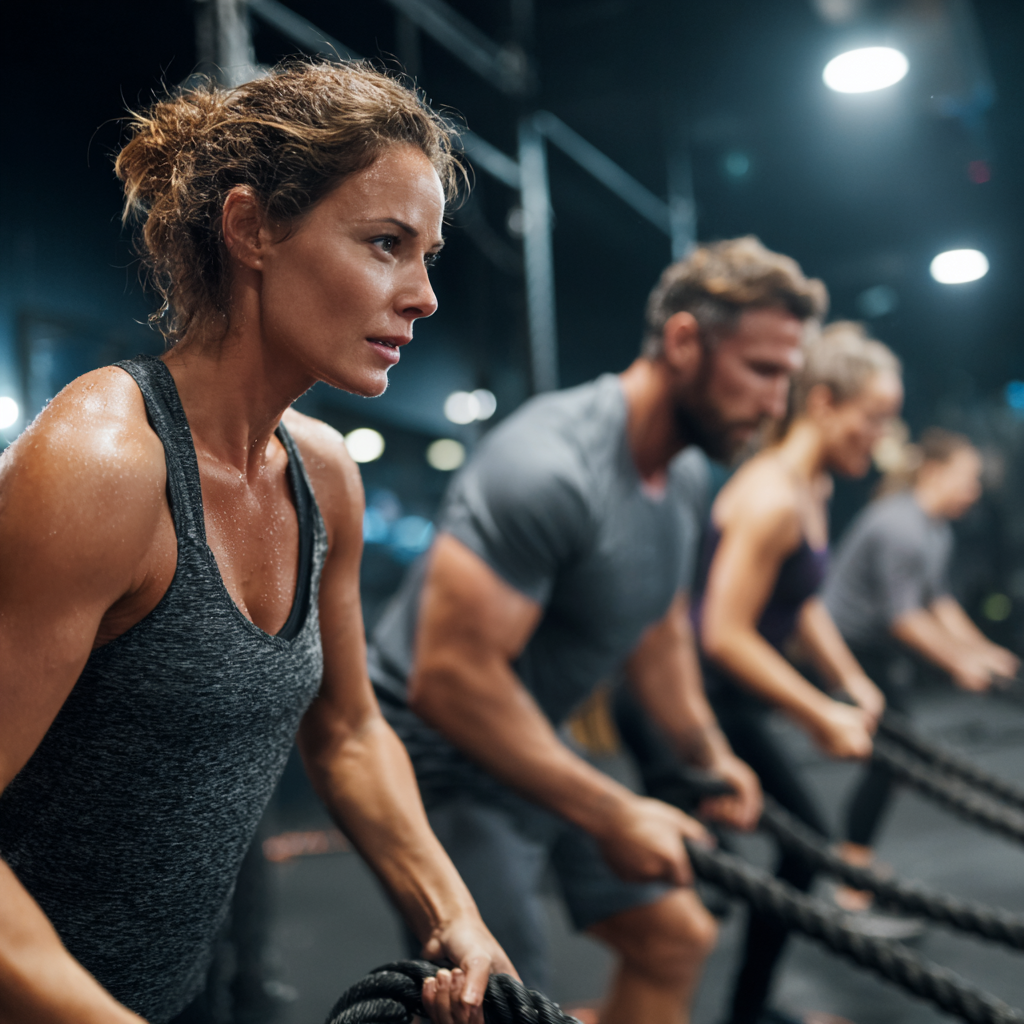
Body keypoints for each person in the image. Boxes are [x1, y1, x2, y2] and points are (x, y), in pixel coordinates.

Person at [0, 62, 514, 1024]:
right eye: (386, 244)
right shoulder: (105, 463)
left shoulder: (323, 478)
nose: (424, 296)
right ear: (252, 230)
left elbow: (350, 730)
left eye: (428, 254)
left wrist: (452, 912)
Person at [369, 237, 828, 1024]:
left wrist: (704, 751)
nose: (777, 404)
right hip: (434, 750)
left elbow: (656, 632)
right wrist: (612, 811)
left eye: (787, 376)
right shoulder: (550, 465)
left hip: (526, 729)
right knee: (504, 1000)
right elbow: (448, 679)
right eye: (762, 370)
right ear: (684, 341)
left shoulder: (682, 473)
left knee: (675, 936)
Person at [692, 321, 903, 1024]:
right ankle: (744, 1008)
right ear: (821, 404)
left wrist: (849, 682)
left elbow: (800, 600)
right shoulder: (773, 497)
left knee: (800, 851)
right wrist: (820, 712)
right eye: (871, 418)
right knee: (800, 847)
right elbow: (722, 632)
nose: (879, 436)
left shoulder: (808, 488)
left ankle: (748, 1006)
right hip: (699, 699)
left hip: (735, 696)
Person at [824, 427, 1020, 879]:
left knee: (897, 759)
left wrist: (986, 653)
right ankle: (853, 880)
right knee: (892, 757)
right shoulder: (900, 526)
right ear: (933, 473)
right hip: (848, 653)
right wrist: (959, 663)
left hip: (878, 653)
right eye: (967, 478)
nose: (974, 490)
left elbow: (940, 605)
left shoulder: (935, 531)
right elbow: (905, 620)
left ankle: (857, 863)